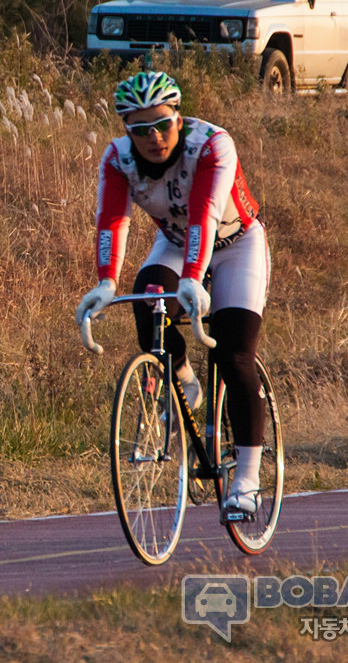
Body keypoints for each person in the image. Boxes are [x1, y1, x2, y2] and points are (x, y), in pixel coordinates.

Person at [76, 71, 270, 516]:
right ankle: (184, 380)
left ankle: (246, 479)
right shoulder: (117, 159)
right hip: (177, 243)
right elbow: (112, 221)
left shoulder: (212, 144)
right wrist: (106, 283)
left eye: (163, 124)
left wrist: (194, 278)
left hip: (237, 243)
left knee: (234, 352)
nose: (154, 138)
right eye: (140, 130)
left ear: (178, 118)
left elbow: (205, 212)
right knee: (147, 302)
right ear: (127, 132)